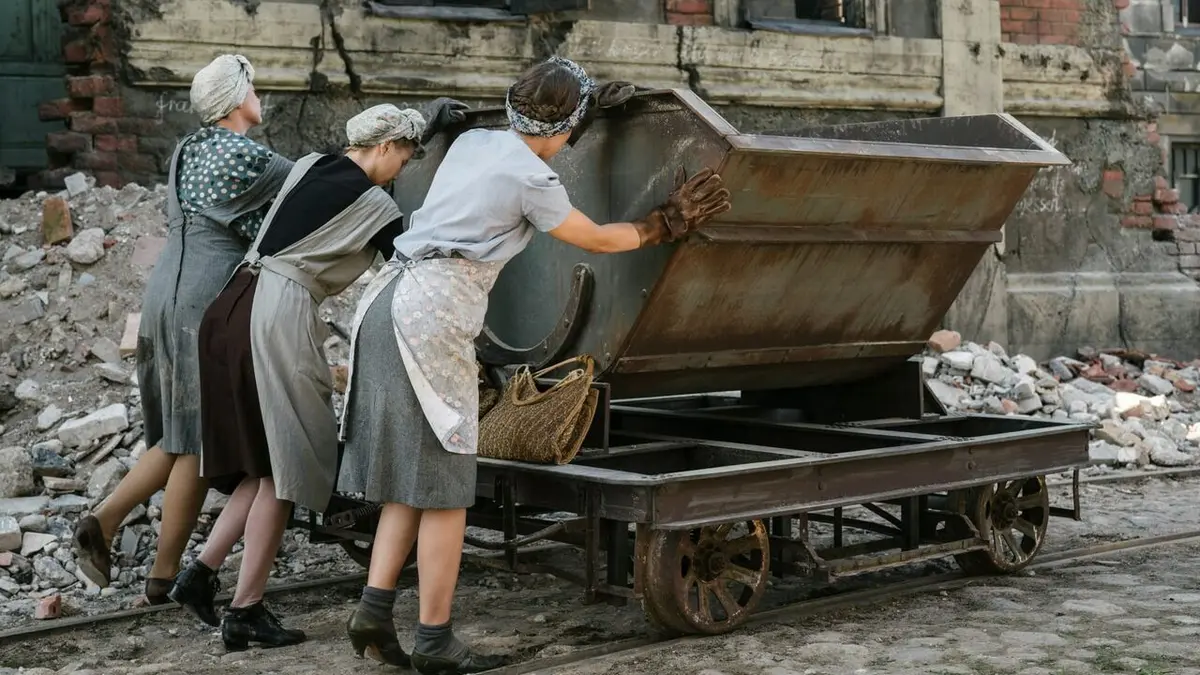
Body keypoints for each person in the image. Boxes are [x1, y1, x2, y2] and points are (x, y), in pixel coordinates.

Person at [336, 56, 731, 674]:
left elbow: (530, 145)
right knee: (445, 489)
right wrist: (663, 223)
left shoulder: (473, 141)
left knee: (408, 477)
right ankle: (435, 639)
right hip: (432, 314)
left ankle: (374, 608)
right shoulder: (533, 179)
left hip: (384, 302)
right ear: (566, 126)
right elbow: (598, 238)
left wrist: (582, 107)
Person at [167, 101, 465, 652]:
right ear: (381, 149)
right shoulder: (374, 203)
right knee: (292, 466)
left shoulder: (308, 165)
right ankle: (246, 609)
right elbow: (412, 263)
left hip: (231, 303)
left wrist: (424, 120)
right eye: (403, 155)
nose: (403, 167)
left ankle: (201, 574)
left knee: (262, 464)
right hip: (277, 312)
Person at [72, 54, 294, 609]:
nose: (259, 95)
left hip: (164, 292)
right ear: (236, 97)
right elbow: (317, 186)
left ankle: (120, 535)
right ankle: (153, 561)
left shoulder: (184, 151)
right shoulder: (249, 156)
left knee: (177, 431)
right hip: (205, 297)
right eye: (254, 85)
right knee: (195, 437)